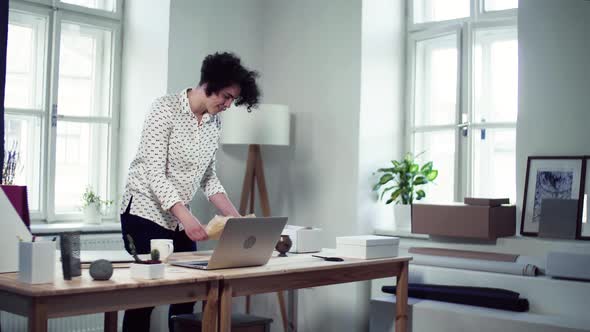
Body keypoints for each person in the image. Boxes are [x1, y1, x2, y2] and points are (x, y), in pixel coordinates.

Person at [119, 52, 260, 332]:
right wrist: (186, 218)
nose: (228, 104)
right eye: (226, 96)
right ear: (209, 84)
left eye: (233, 99)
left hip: (178, 216)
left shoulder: (213, 123)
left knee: (190, 294)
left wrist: (238, 218)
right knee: (145, 296)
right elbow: (154, 173)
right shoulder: (164, 109)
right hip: (144, 212)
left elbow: (209, 178)